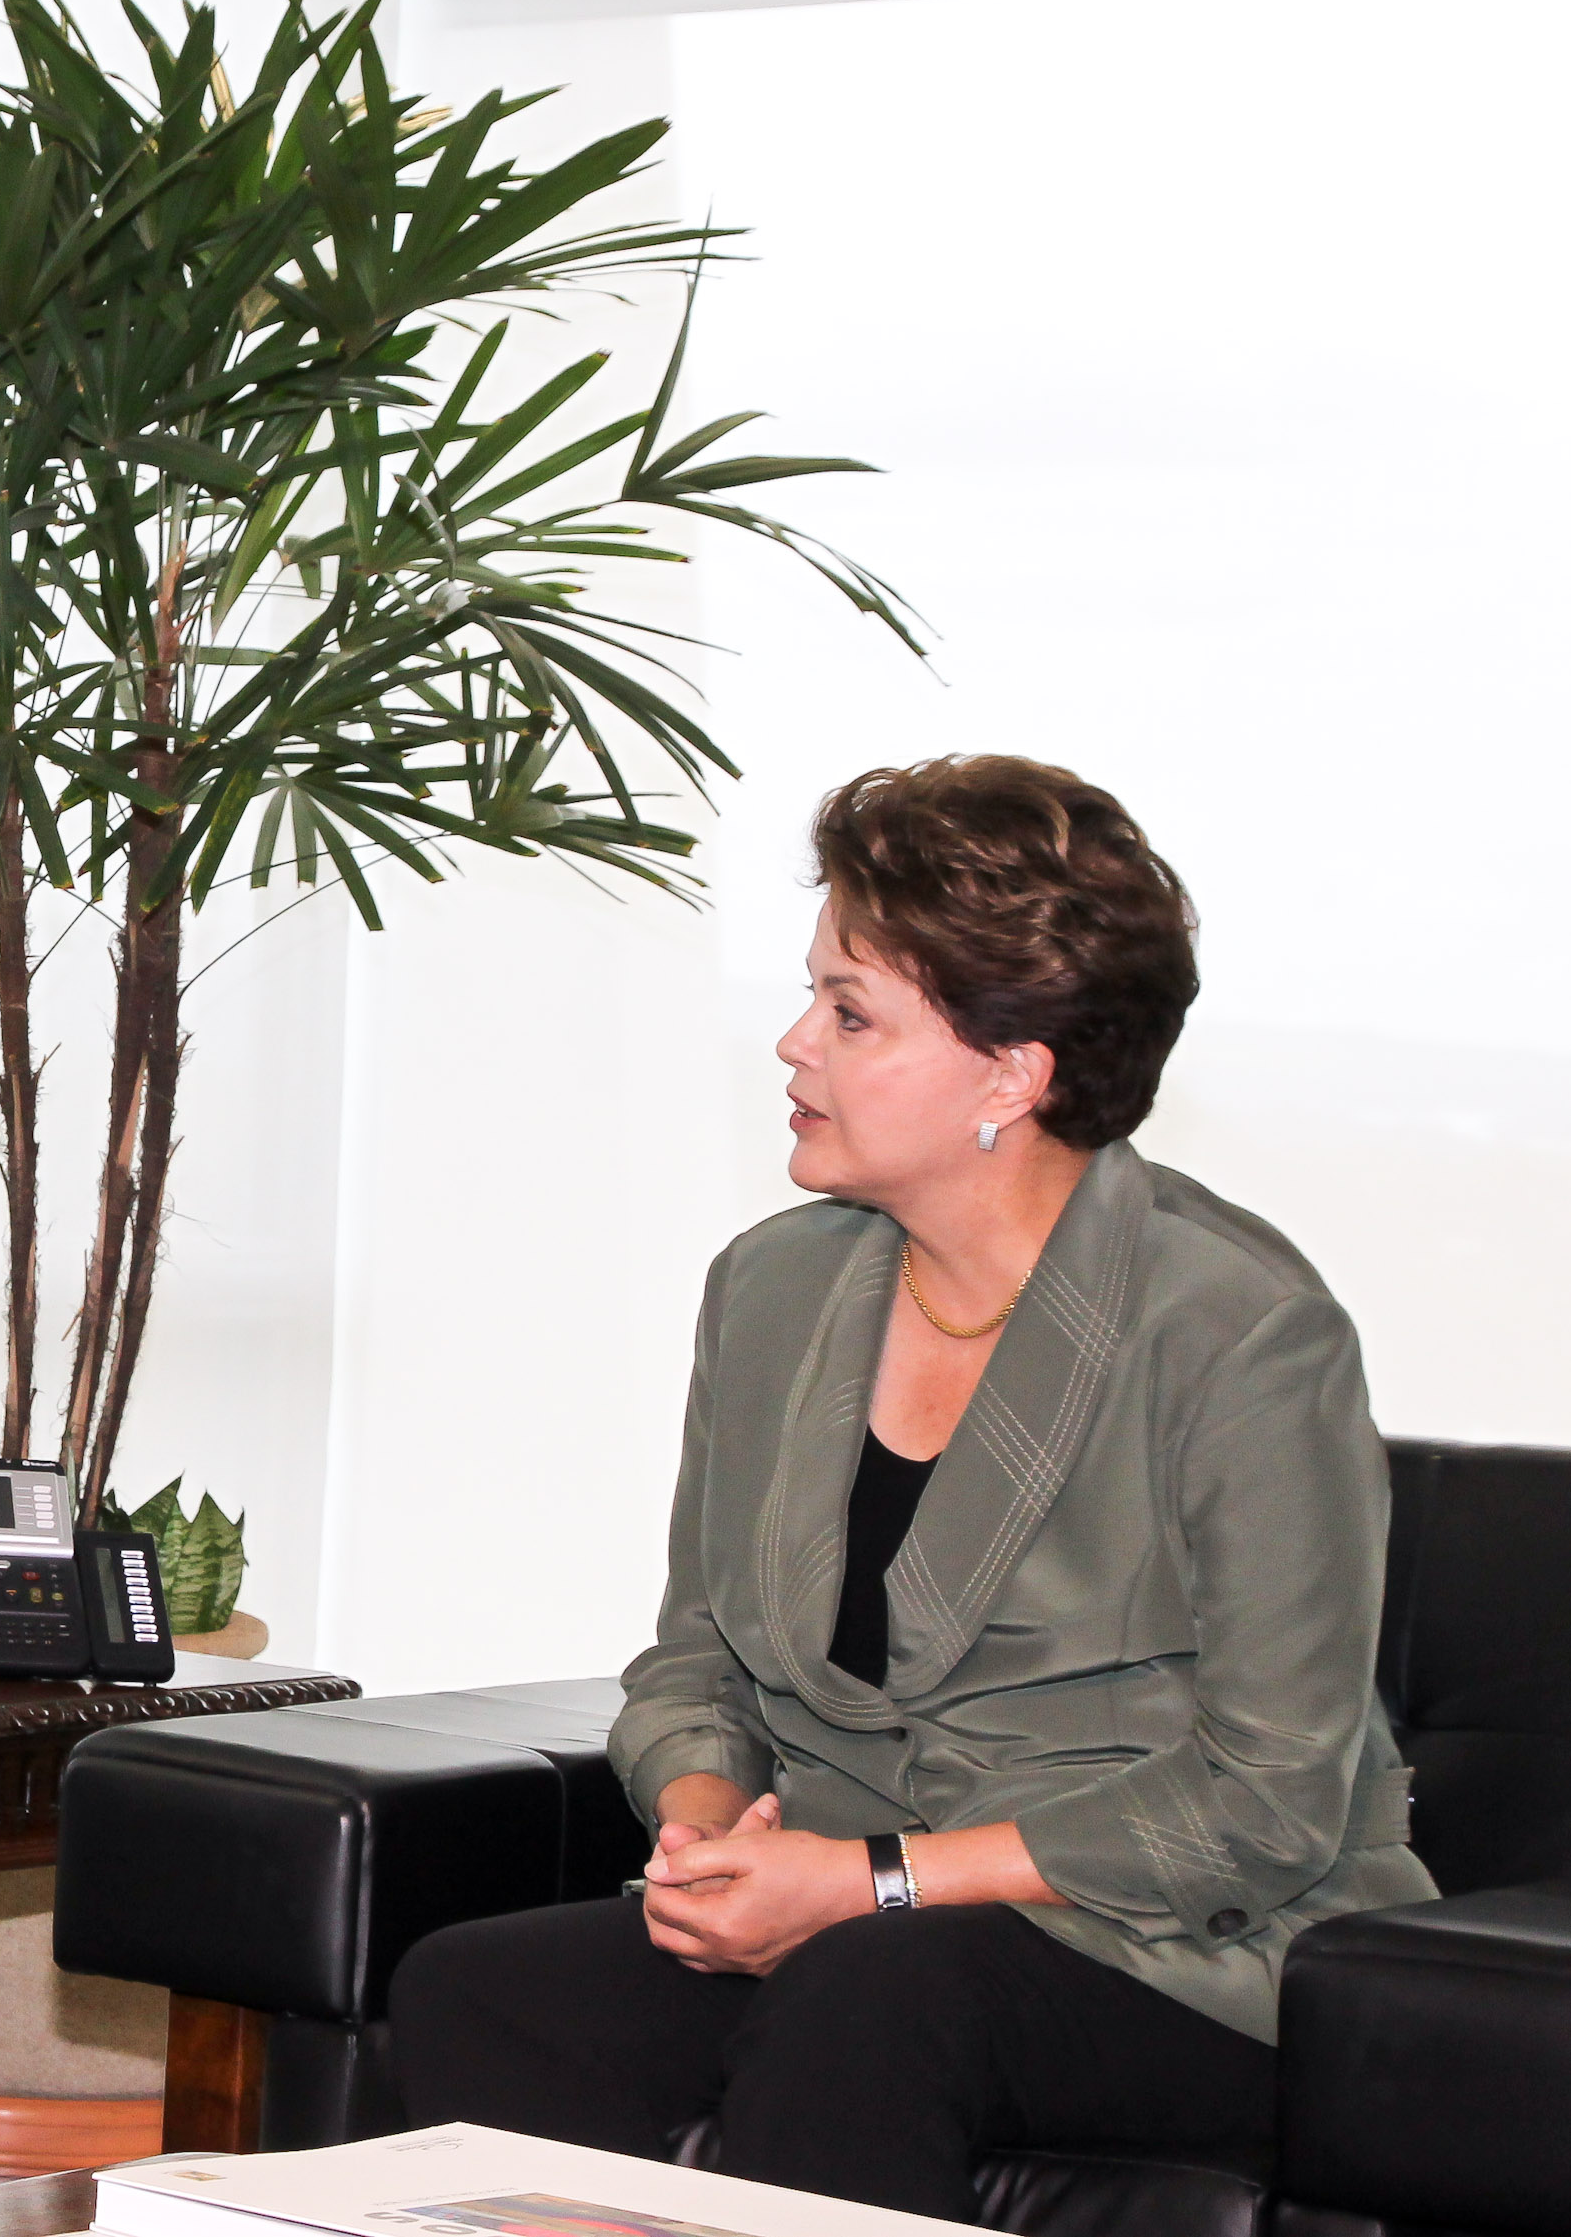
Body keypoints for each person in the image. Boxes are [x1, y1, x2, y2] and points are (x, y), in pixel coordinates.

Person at [389, 756, 1437, 2223]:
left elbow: (1262, 1803)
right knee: (485, 1989)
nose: (790, 1045)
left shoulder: (1240, 1329)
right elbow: (695, 1662)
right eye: (809, 997)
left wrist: (866, 1883)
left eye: (849, 1012)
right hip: (852, 1910)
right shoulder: (769, 1288)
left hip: (1180, 1944)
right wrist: (711, 1832)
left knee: (876, 1993)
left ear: (1010, 1074)